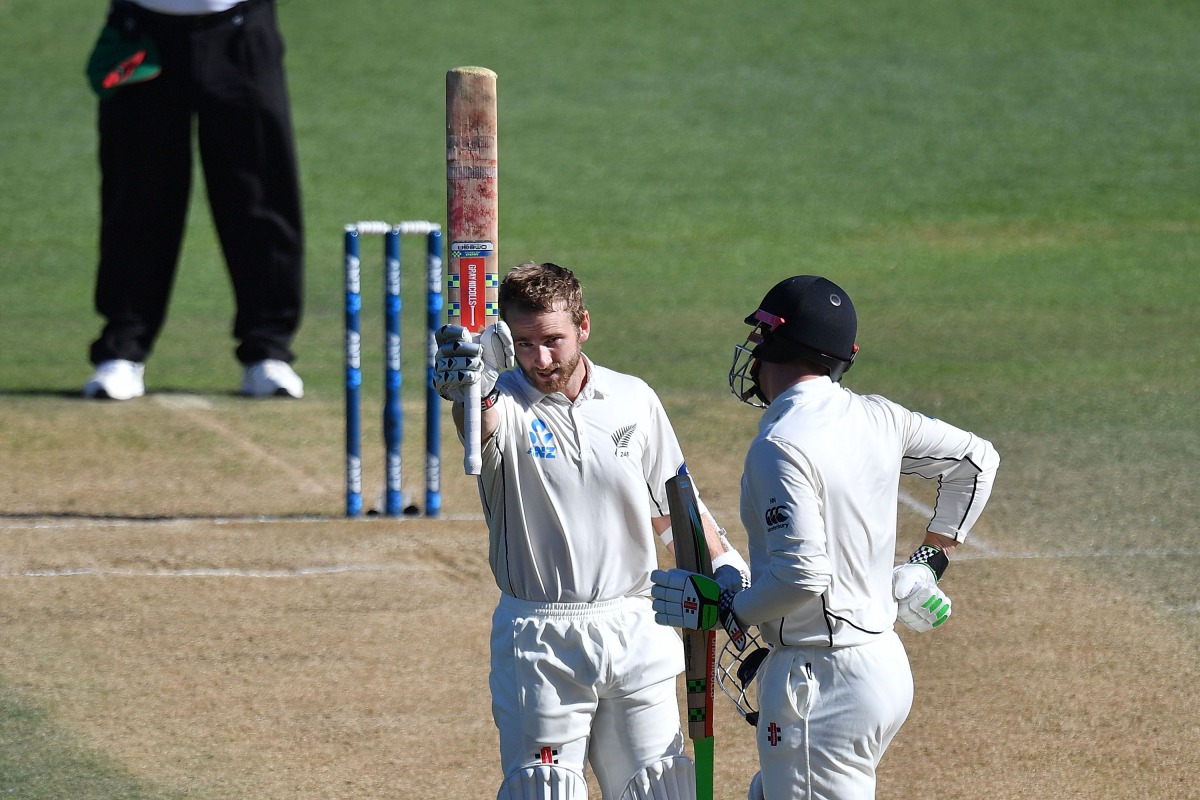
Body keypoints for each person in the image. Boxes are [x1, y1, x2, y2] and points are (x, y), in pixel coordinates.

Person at [651, 275, 1000, 800]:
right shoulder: (880, 417)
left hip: (821, 683)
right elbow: (976, 461)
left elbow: (803, 575)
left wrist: (730, 609)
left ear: (774, 344)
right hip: (879, 667)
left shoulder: (780, 442)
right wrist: (929, 561)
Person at [431, 262, 750, 800]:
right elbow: (480, 423)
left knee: (662, 789)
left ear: (584, 325)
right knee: (545, 790)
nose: (540, 359)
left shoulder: (633, 399)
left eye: (553, 340)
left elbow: (674, 505)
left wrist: (725, 567)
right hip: (540, 637)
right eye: (524, 343)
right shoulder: (500, 399)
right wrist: (472, 388)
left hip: (636, 623)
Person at [83, 0, 305, 400]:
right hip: (140, 31)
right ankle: (123, 348)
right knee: (137, 193)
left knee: (260, 192)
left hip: (241, 27)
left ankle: (268, 350)